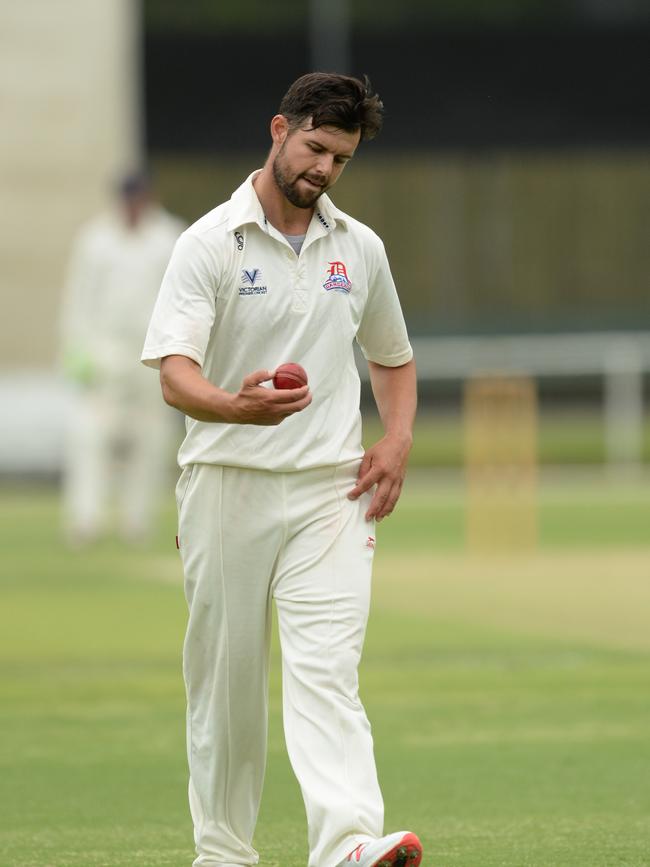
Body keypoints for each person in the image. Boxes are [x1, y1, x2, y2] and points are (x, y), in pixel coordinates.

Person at [141, 73, 420, 867]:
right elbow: (175, 374)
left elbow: (392, 358)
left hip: (333, 489)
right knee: (228, 685)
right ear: (279, 129)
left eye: (341, 157)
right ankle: (223, 852)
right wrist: (235, 407)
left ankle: (347, 844)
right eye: (316, 147)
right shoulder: (208, 242)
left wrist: (395, 438)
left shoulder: (358, 248)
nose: (325, 168)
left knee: (328, 667)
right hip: (226, 479)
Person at [60, 172, 185, 544]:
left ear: (148, 198)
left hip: (153, 354)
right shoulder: (95, 239)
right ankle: (86, 518)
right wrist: (75, 352)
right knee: (88, 437)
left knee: (150, 438)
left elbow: (182, 299)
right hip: (105, 352)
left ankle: (137, 521)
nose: (132, 207)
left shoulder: (170, 237)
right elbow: (78, 298)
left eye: (137, 199)